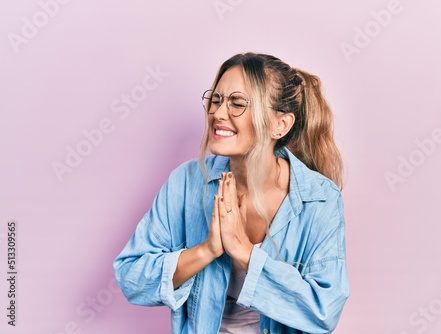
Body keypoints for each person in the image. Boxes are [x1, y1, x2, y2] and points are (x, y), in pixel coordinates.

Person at [113, 52, 349, 334]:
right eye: (216, 100)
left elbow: (323, 311)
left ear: (280, 124)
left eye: (237, 103)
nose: (218, 114)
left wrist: (245, 252)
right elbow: (131, 276)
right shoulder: (186, 182)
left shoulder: (320, 199)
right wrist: (207, 250)